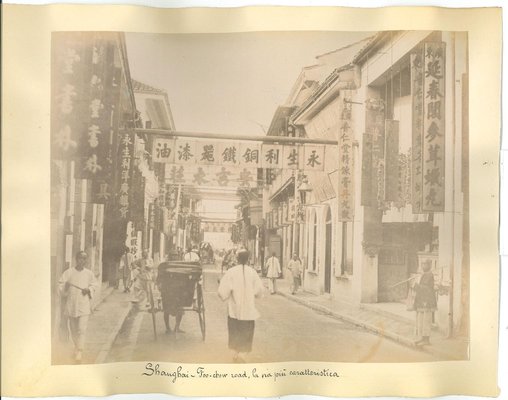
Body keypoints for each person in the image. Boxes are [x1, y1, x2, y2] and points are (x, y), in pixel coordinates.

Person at [218, 249, 264, 363]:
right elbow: (259, 290)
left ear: (237, 259)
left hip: (235, 309)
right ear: (248, 259)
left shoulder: (231, 272)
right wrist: (254, 294)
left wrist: (224, 294)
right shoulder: (252, 272)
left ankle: (236, 352)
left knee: (235, 330)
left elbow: (223, 292)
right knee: (247, 331)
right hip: (248, 309)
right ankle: (243, 354)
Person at [58, 251, 99, 362]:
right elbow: (60, 286)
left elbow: (94, 284)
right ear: (76, 259)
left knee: (81, 329)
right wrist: (65, 286)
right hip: (71, 305)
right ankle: (76, 347)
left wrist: (89, 289)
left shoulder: (89, 273)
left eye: (85, 258)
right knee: (74, 329)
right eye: (80, 258)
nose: (82, 260)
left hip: (83, 305)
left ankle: (79, 351)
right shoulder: (69, 272)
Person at [156, 264, 185, 335]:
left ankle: (175, 327)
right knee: (167, 309)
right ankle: (170, 328)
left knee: (176, 309)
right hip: (170, 293)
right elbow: (159, 279)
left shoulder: (178, 266)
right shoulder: (167, 266)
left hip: (174, 293)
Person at [413, 261, 437, 346]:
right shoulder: (423, 274)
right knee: (421, 320)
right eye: (422, 264)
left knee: (426, 320)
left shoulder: (429, 275)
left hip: (427, 300)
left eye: (425, 264)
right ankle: (422, 338)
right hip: (421, 299)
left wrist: (416, 286)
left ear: (429, 265)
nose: (423, 266)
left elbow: (427, 288)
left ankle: (426, 339)